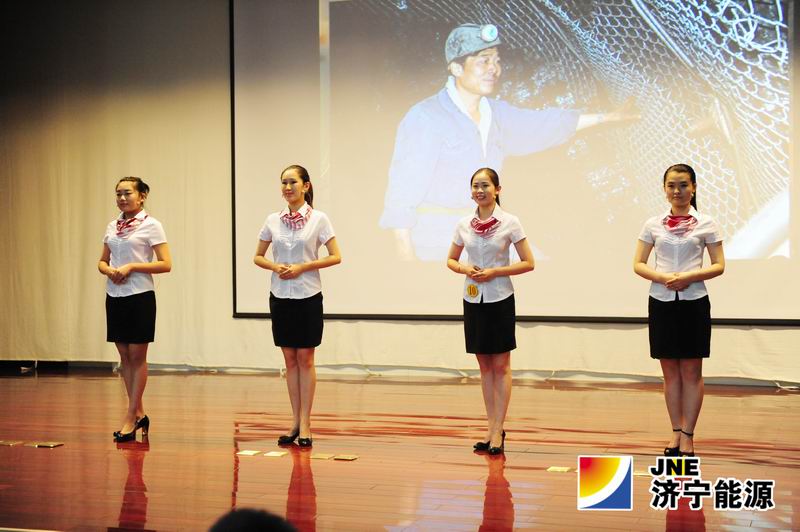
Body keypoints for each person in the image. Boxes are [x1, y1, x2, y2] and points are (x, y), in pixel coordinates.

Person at [380, 22, 635, 261]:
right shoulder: (427, 117)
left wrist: (607, 117)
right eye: (484, 61)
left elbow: (544, 124)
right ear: (456, 68)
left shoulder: (496, 114)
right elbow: (402, 193)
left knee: (542, 271)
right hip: (438, 239)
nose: (494, 68)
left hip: (487, 230)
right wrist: (407, 262)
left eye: (496, 61)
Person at [633, 163, 725, 457]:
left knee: (691, 371)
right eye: (672, 185)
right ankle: (675, 431)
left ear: (693, 188)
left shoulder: (707, 223)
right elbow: (638, 264)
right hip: (661, 302)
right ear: (664, 189)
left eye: (683, 185)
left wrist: (689, 277)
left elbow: (719, 265)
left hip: (694, 301)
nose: (677, 191)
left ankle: (688, 435)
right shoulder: (653, 224)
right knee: (670, 373)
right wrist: (662, 277)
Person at [447, 168, 535, 455]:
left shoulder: (510, 222)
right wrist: (465, 268)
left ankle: (499, 428)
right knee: (485, 367)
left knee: (501, 365)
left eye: (485, 185)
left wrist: (495, 271)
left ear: (497, 189)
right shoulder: (464, 224)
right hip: (473, 299)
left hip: (500, 297)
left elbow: (528, 262)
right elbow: (451, 260)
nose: (480, 191)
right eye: (475, 186)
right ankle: (490, 427)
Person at [254, 165, 342, 448]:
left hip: (308, 294)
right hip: (280, 295)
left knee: (305, 359)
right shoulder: (273, 220)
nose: (287, 187)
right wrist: (274, 266)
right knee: (289, 361)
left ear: (306, 186)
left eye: (293, 182)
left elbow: (335, 256)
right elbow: (258, 256)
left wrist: (304, 266)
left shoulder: (319, 219)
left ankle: (306, 422)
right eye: (284, 183)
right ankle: (294, 421)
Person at [99, 176, 172, 442]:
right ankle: (139, 413)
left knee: (137, 356)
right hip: (115, 294)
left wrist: (132, 266)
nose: (122, 198)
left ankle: (131, 416)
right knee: (124, 357)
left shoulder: (152, 225)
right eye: (118, 193)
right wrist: (108, 270)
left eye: (127, 193)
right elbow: (102, 261)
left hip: (140, 295)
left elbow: (166, 264)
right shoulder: (112, 225)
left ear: (142, 196)